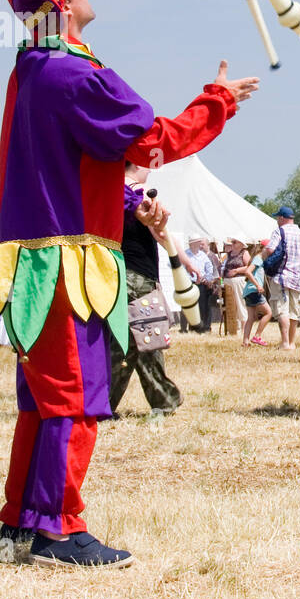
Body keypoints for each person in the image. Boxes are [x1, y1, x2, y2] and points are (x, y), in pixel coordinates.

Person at [0, 0, 256, 568]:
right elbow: (151, 140)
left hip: (32, 263)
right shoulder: (73, 74)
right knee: (75, 397)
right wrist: (216, 101)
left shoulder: (29, 71)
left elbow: (79, 165)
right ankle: (57, 533)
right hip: (70, 263)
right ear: (61, 7)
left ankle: (19, 520)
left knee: (40, 400)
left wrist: (129, 201)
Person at [109, 162, 183, 417]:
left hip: (115, 274)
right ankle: (164, 399)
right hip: (138, 277)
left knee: (125, 342)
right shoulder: (138, 194)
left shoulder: (108, 189)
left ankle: (103, 404)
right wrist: (183, 262)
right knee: (146, 339)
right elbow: (161, 233)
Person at [262, 206, 300, 351]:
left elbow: (270, 249)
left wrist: (265, 257)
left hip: (281, 276)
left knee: (282, 310)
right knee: (294, 311)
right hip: (297, 278)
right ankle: (292, 342)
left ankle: (285, 342)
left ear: (282, 218)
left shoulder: (280, 231)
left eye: (277, 218)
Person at [183, 236, 218, 333]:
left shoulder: (203, 255)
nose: (200, 245)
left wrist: (207, 279)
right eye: (198, 242)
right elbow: (181, 269)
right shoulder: (185, 254)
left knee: (203, 305)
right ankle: (193, 327)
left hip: (202, 284)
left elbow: (209, 268)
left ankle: (204, 327)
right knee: (192, 306)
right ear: (192, 244)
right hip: (190, 283)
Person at [239, 242, 272, 345]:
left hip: (248, 291)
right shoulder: (258, 258)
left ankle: (245, 341)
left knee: (251, 318)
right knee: (268, 313)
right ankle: (257, 336)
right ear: (264, 248)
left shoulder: (257, 258)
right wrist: (258, 285)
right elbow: (248, 272)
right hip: (254, 290)